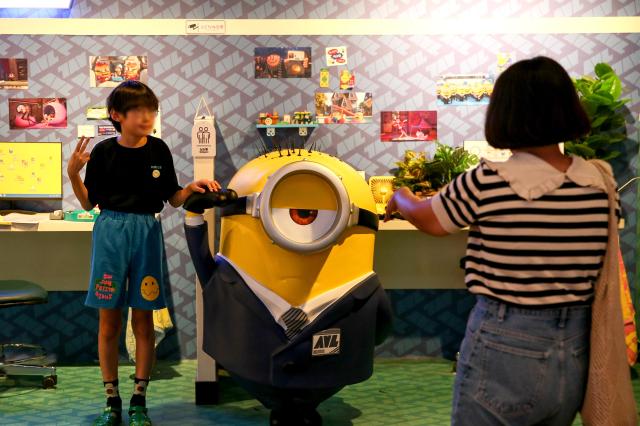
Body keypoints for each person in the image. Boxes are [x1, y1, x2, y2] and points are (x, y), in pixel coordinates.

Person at [385, 56, 616, 425]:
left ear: (504, 113)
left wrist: (401, 197)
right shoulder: (600, 182)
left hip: (505, 342)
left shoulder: (490, 179)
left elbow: (430, 220)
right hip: (573, 347)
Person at [67, 81, 219, 426]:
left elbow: (174, 198)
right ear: (117, 115)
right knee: (109, 321)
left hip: (147, 232)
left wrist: (191, 188)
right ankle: (111, 401)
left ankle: (139, 400)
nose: (147, 116)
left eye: (151, 109)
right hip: (110, 231)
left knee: (143, 318)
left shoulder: (159, 150)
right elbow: (89, 202)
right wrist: (72, 174)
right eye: (139, 110)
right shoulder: (104, 152)